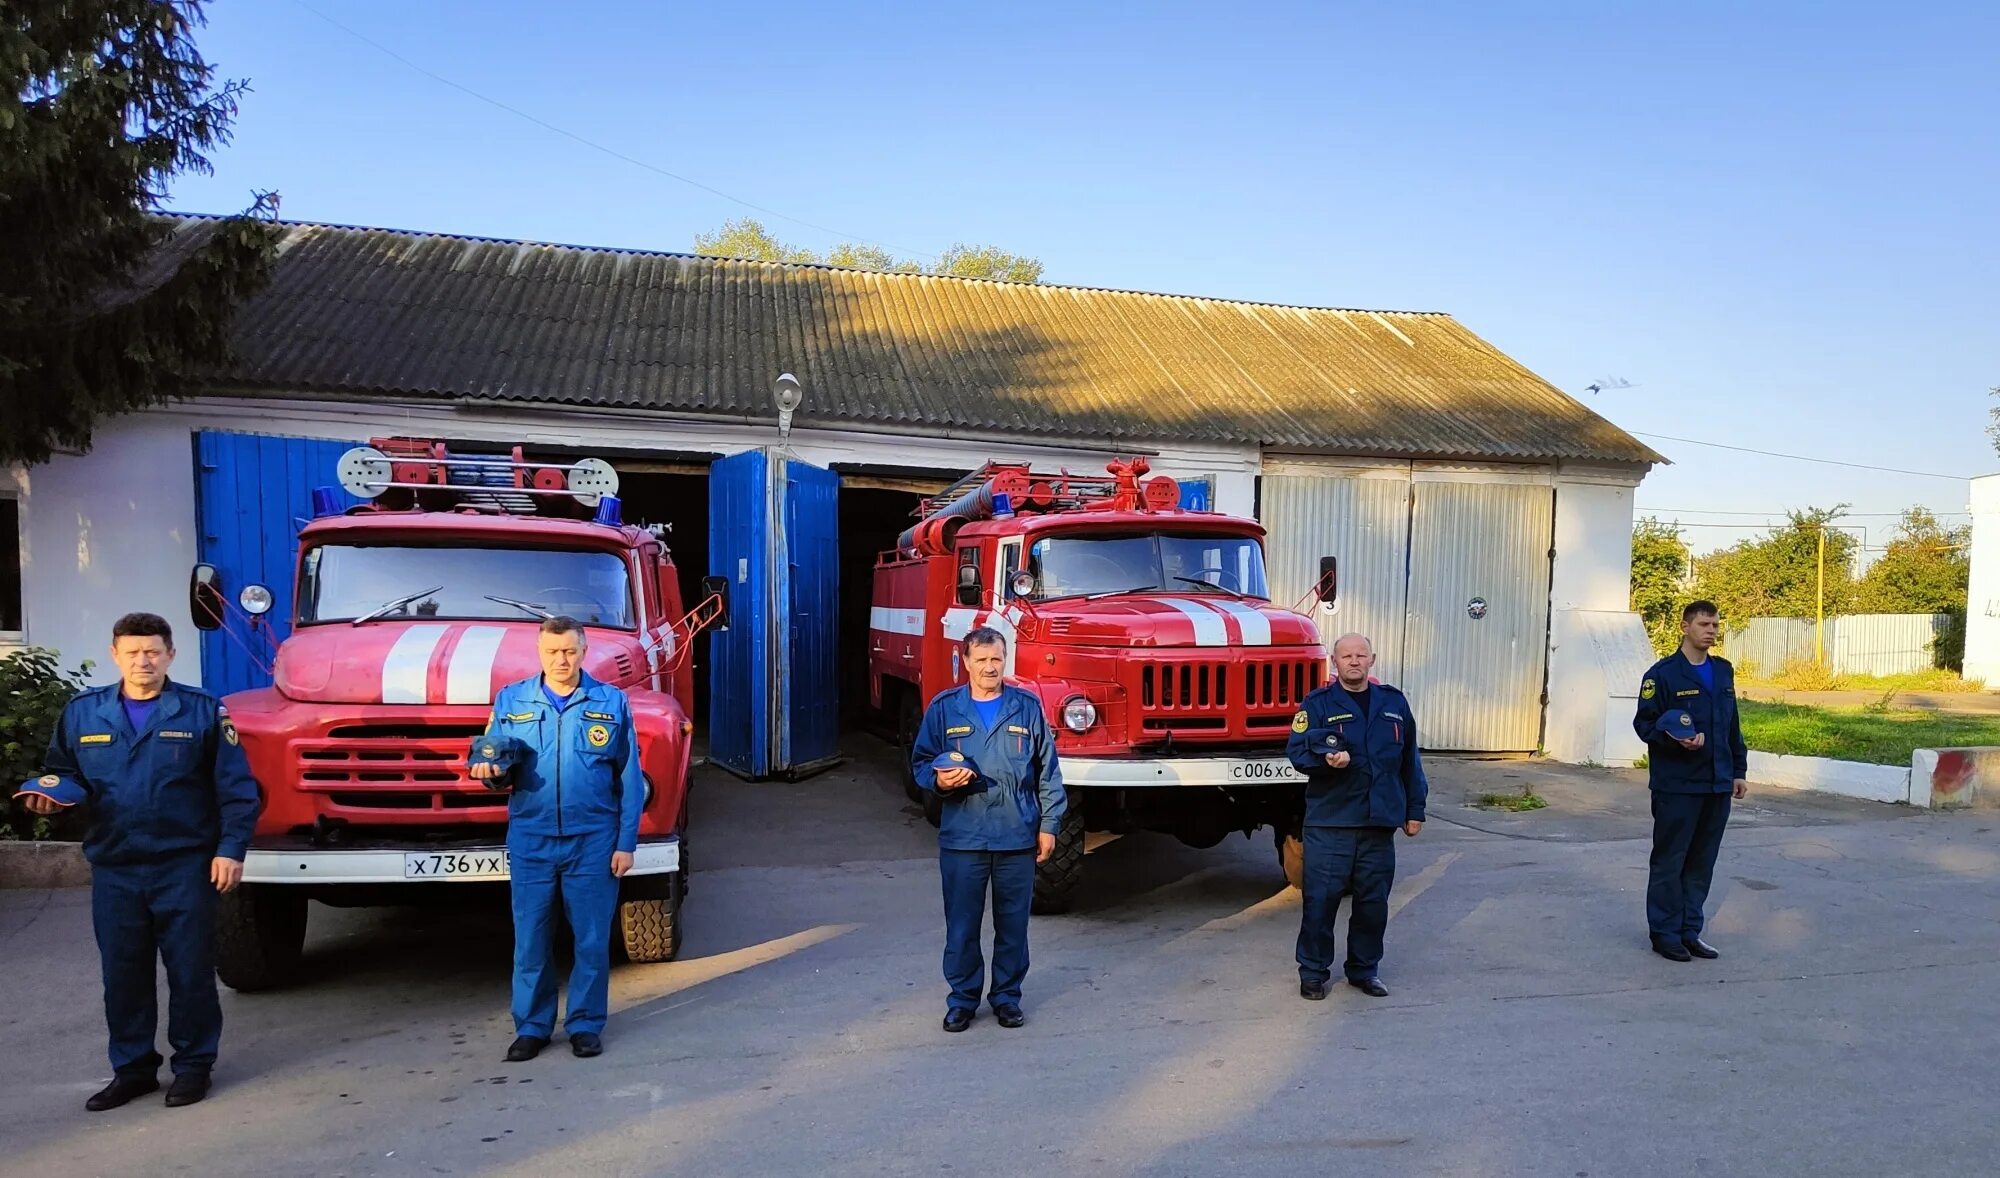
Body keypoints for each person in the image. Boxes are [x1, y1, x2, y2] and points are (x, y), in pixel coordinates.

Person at [23, 613, 260, 1111]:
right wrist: (53, 798)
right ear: (115, 654)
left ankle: (194, 1066)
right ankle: (132, 1070)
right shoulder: (84, 713)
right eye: (132, 652)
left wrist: (230, 850)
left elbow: (237, 791)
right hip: (115, 866)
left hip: (185, 865)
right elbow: (63, 773)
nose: (142, 661)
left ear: (170, 654)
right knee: (123, 974)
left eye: (152, 651)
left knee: (190, 971)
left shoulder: (200, 711)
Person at [470, 616, 644, 1061]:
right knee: (530, 940)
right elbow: (496, 764)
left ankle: (585, 1024)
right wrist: (488, 775)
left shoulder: (610, 702)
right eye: (552, 652)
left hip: (594, 841)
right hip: (533, 840)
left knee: (590, 940)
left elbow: (630, 778)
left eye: (569, 651)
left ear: (584, 651)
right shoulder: (512, 701)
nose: (561, 660)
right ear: (540, 652)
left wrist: (626, 843)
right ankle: (532, 1027)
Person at [910, 627, 1067, 1033]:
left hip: (1016, 834)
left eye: (996, 659)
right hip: (963, 838)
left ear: (1005, 660)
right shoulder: (945, 709)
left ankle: (1006, 998)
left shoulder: (1026, 708)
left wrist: (1049, 825)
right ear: (965, 663)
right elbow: (921, 762)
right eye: (980, 660)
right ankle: (962, 1000)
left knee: (1012, 925)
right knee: (962, 926)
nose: (989, 668)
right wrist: (939, 781)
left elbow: (1048, 773)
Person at [1285, 633, 1428, 1000]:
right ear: (1334, 662)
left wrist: (1415, 810)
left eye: (1361, 655)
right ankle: (1314, 972)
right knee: (1321, 902)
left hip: (1378, 824)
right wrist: (1326, 761)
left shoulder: (1393, 704)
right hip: (1331, 823)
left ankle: (1364, 970)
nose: (1354, 661)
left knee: (1372, 904)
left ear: (1372, 660)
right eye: (1346, 655)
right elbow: (1297, 752)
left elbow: (1409, 761)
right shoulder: (1317, 704)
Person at [1633, 600, 1748, 962]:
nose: (1711, 631)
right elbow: (1644, 724)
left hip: (1717, 785)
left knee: (1702, 862)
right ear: (1685, 627)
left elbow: (1731, 725)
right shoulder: (1662, 675)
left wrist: (1739, 771)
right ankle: (1665, 933)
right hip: (1677, 786)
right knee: (1670, 860)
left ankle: (1689, 931)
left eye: (1715, 625)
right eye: (1704, 624)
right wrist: (1674, 740)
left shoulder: (1724, 672)